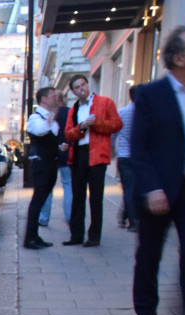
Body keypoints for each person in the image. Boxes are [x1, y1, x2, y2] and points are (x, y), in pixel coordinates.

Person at [130, 26, 185, 315]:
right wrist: (151, 188)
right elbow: (139, 146)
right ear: (178, 58)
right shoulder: (151, 94)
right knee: (149, 257)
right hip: (158, 191)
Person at [63, 75, 122, 246]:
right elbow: (68, 134)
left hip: (97, 155)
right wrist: (81, 127)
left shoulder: (105, 102)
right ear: (73, 91)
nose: (82, 88)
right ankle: (76, 235)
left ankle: (94, 236)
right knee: (78, 196)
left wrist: (96, 124)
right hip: (79, 154)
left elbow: (117, 125)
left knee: (96, 197)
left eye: (83, 84)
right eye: (78, 87)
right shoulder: (73, 110)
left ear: (88, 85)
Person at [24, 86, 65, 249]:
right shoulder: (35, 118)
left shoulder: (50, 117)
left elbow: (51, 136)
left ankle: (34, 235)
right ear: (44, 99)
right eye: (53, 96)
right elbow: (40, 131)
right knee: (37, 201)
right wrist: (51, 118)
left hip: (50, 163)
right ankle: (29, 238)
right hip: (41, 165)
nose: (56, 98)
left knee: (41, 201)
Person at [39, 96, 73, 228]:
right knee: (68, 184)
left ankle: (43, 218)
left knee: (48, 187)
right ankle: (69, 216)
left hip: (51, 154)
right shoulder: (71, 112)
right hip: (66, 152)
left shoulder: (51, 115)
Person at [115, 85, 140, 231]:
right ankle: (133, 220)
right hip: (138, 157)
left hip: (124, 156)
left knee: (129, 188)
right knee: (134, 189)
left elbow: (113, 133)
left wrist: (111, 148)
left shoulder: (122, 112)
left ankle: (125, 216)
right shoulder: (144, 113)